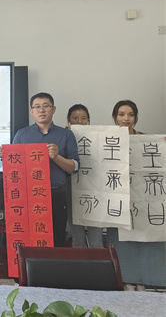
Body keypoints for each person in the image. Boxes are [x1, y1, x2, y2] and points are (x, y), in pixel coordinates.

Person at [0, 92, 79, 247]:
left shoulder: (66, 135)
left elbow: (75, 167)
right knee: (28, 241)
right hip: (27, 197)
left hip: (55, 195)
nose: (41, 110)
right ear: (31, 111)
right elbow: (14, 168)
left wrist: (56, 157)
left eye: (46, 106)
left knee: (56, 240)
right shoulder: (22, 135)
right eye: (37, 107)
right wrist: (5, 156)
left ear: (53, 109)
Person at [107, 99, 166, 291]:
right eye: (121, 114)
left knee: (144, 240)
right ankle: (125, 279)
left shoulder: (145, 139)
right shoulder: (107, 138)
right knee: (121, 241)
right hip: (118, 198)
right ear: (115, 116)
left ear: (136, 117)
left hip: (142, 197)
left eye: (130, 115)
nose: (126, 118)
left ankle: (144, 280)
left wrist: (163, 145)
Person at [65, 104, 103, 248]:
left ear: (88, 120)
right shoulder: (63, 136)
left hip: (94, 186)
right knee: (77, 237)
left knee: (96, 239)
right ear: (69, 119)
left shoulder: (98, 137)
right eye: (75, 118)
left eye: (84, 118)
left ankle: (98, 262)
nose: (80, 122)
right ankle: (79, 262)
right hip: (71, 186)